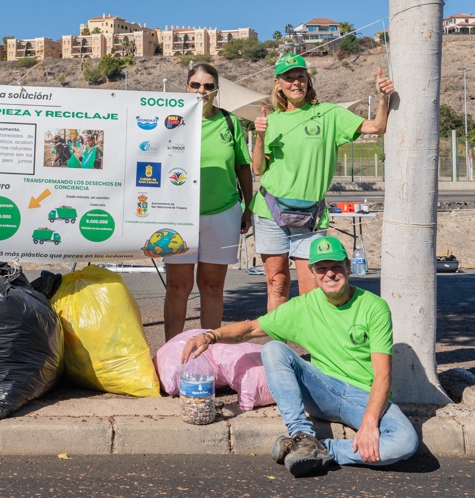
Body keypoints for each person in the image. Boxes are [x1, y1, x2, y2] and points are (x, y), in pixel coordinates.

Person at [181, 236, 418, 477]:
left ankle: (318, 449)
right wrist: (209, 336)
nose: (330, 274)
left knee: (404, 443)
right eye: (322, 268)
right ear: (313, 273)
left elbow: (383, 374)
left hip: (363, 397)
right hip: (322, 391)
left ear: (348, 267)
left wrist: (369, 422)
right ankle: (302, 435)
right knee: (274, 349)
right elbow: (251, 328)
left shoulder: (374, 306)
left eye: (336, 266)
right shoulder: (302, 306)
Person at [250, 54, 394, 311]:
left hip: (311, 214)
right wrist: (259, 137)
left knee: (312, 290)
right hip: (269, 210)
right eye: (289, 78)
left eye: (300, 77)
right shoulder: (271, 120)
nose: (295, 83)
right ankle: (277, 348)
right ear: (278, 83)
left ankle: (312, 350)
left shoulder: (329, 114)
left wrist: (384, 98)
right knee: (277, 283)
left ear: (308, 80)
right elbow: (258, 168)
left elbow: (377, 127)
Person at [163, 64, 253, 341]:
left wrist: (248, 208)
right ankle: (171, 355)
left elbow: (242, 168)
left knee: (213, 287)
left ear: (216, 89)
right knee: (178, 287)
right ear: (186, 86)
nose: (201, 91)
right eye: (195, 85)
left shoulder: (230, 122)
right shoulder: (170, 120)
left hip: (223, 213)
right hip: (178, 215)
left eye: (208, 85)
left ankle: (209, 354)